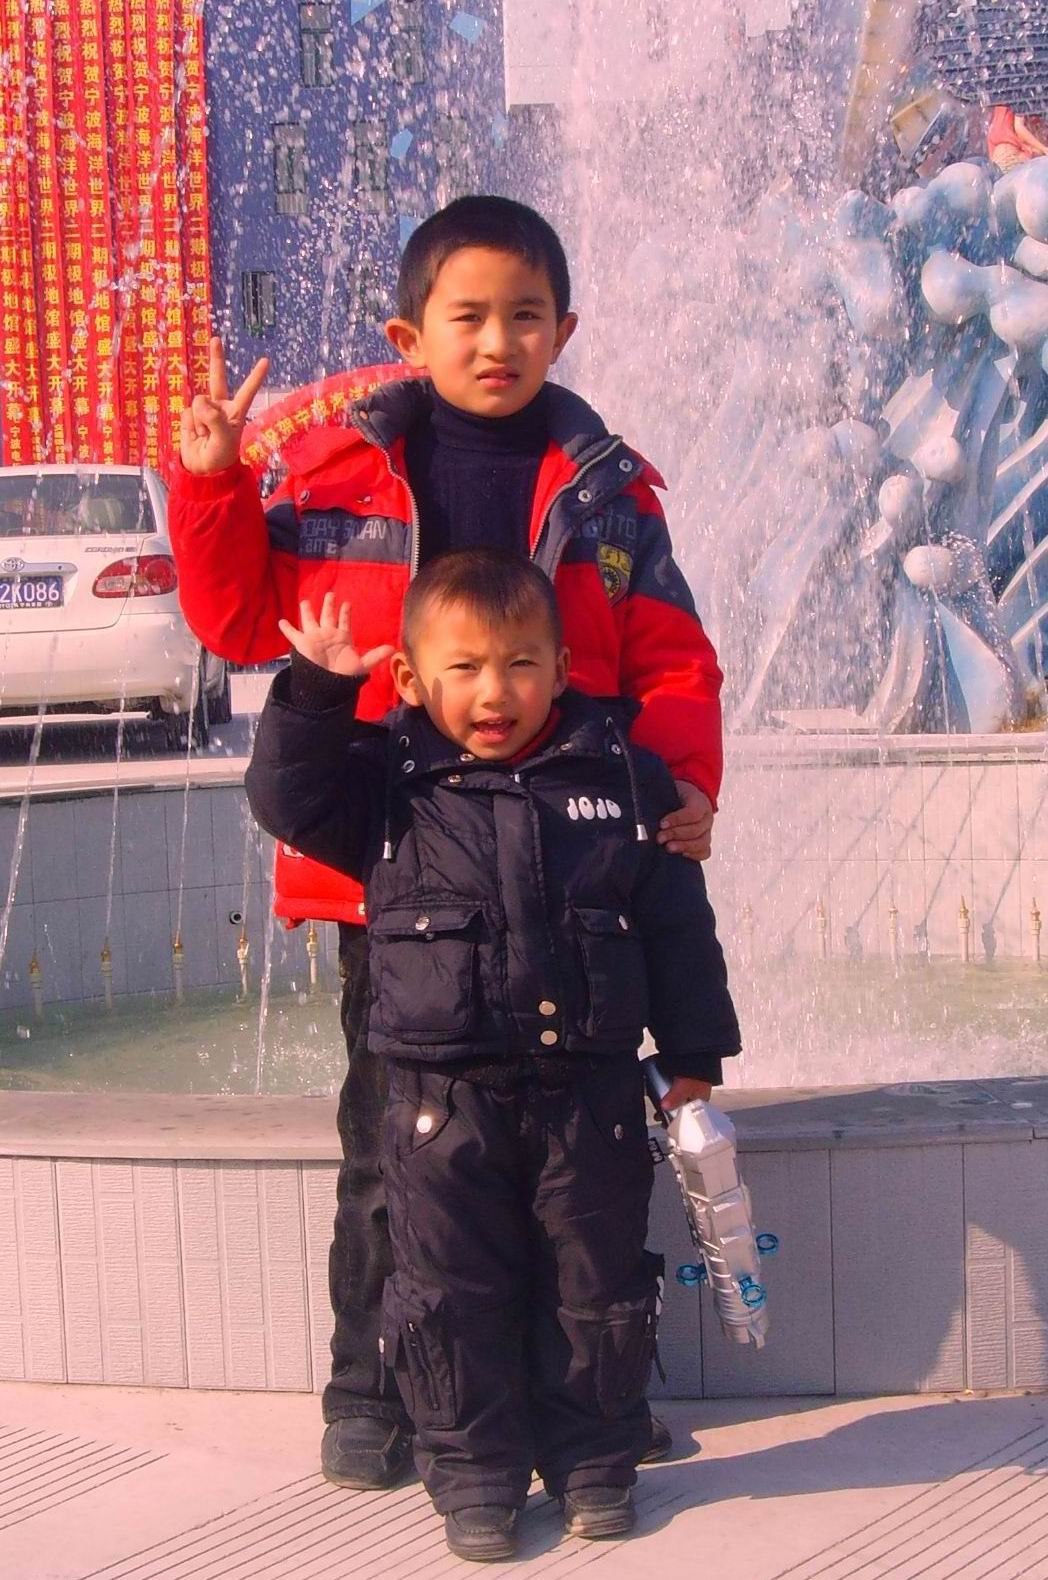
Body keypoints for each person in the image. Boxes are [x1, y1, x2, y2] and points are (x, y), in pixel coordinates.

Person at [169, 194, 725, 1492]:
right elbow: (241, 623)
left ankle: (578, 1408)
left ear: (564, 330)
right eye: (467, 317)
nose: (496, 341)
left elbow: (670, 656)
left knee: (574, 1159)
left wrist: (679, 785)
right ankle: (374, 1399)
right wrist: (210, 485)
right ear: (407, 336)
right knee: (396, 1149)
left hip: (572, 875)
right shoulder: (335, 473)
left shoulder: (608, 494)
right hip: (400, 875)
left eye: (525, 316)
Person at [244, 552, 741, 1560]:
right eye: (463, 668)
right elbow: (286, 797)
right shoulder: (385, 784)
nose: (494, 692)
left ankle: (595, 1459)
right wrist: (317, 693)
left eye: (519, 664)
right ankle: (475, 1476)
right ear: (411, 678)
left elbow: (675, 925)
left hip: (588, 1097)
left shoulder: (622, 776)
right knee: (450, 1292)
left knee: (595, 1284)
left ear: (563, 669)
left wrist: (693, 1054)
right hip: (442, 1105)